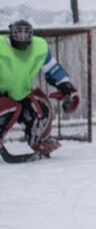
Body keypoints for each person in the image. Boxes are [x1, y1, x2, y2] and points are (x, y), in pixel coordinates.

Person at [0, 20, 79, 159]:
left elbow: (53, 69)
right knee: (8, 107)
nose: (23, 37)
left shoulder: (39, 47)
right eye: (19, 33)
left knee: (40, 107)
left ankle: (39, 140)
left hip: (21, 93)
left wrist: (66, 88)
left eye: (26, 33)